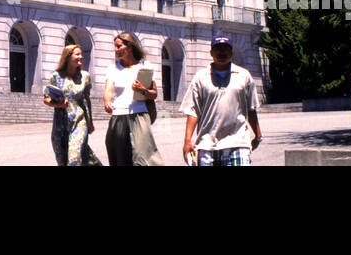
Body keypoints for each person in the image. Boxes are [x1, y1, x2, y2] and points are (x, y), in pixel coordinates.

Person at [180, 35, 262, 166]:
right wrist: (187, 141)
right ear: (211, 52)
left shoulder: (244, 76)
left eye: (225, 49)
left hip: (238, 142)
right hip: (207, 144)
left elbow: (251, 108)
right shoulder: (200, 78)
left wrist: (258, 135)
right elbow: (193, 111)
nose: (222, 53)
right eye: (218, 49)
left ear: (231, 52)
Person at [102, 32, 164, 166]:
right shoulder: (113, 69)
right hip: (118, 116)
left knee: (145, 157)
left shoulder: (144, 68)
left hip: (139, 115)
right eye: (115, 47)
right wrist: (107, 101)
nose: (116, 50)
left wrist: (142, 89)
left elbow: (153, 94)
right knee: (119, 158)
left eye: (119, 46)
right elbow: (108, 90)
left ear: (129, 47)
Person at [44, 44, 101, 166]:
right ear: (68, 57)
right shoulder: (56, 76)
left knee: (74, 158)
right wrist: (58, 104)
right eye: (77, 54)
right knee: (63, 161)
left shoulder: (85, 76)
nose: (81, 57)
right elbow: (46, 99)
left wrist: (90, 122)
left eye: (81, 54)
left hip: (79, 121)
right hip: (60, 124)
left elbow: (87, 100)